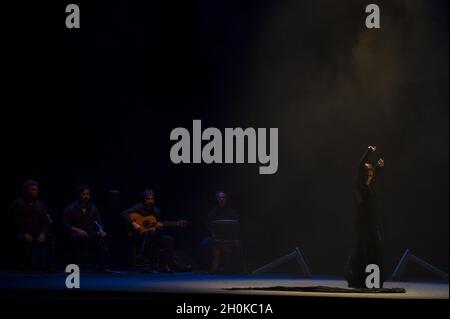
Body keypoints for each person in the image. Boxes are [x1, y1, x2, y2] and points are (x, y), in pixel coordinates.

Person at [346, 146, 385, 288]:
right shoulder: (360, 186)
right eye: (368, 174)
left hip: (371, 223)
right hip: (362, 223)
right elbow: (359, 167)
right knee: (361, 250)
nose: (370, 176)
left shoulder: (369, 185)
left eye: (371, 174)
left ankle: (373, 280)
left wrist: (378, 168)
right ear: (363, 175)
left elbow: (373, 174)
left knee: (376, 248)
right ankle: (357, 279)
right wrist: (368, 152)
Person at [121, 188, 177, 273]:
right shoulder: (139, 207)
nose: (150, 201)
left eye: (152, 199)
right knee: (149, 233)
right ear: (144, 199)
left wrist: (159, 227)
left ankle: (164, 265)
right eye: (148, 199)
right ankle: (146, 265)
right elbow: (123, 213)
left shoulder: (156, 211)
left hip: (152, 236)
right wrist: (134, 223)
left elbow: (156, 226)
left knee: (168, 239)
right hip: (139, 235)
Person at [9, 180, 49, 270]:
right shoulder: (17, 203)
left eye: (36, 190)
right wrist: (25, 233)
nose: (35, 192)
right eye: (33, 190)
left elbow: (45, 221)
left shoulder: (41, 204)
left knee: (50, 238)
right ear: (26, 190)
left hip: (37, 232)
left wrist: (43, 233)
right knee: (22, 239)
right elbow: (16, 221)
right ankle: (24, 265)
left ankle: (46, 265)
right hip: (22, 232)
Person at [63, 185, 107, 266]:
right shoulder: (71, 208)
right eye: (84, 194)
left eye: (88, 194)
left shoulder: (93, 208)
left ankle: (100, 264)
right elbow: (66, 225)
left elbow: (99, 222)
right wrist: (78, 230)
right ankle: (76, 263)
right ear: (79, 195)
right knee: (74, 237)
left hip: (89, 232)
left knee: (101, 236)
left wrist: (101, 230)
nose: (86, 196)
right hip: (76, 233)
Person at [206, 190, 242, 274]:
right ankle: (212, 272)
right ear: (216, 199)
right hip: (217, 238)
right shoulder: (213, 212)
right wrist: (213, 233)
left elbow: (236, 224)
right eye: (219, 197)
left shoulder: (231, 211)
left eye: (223, 197)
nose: (221, 199)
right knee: (216, 257)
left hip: (228, 239)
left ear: (226, 199)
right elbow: (208, 224)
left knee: (228, 257)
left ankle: (228, 272)